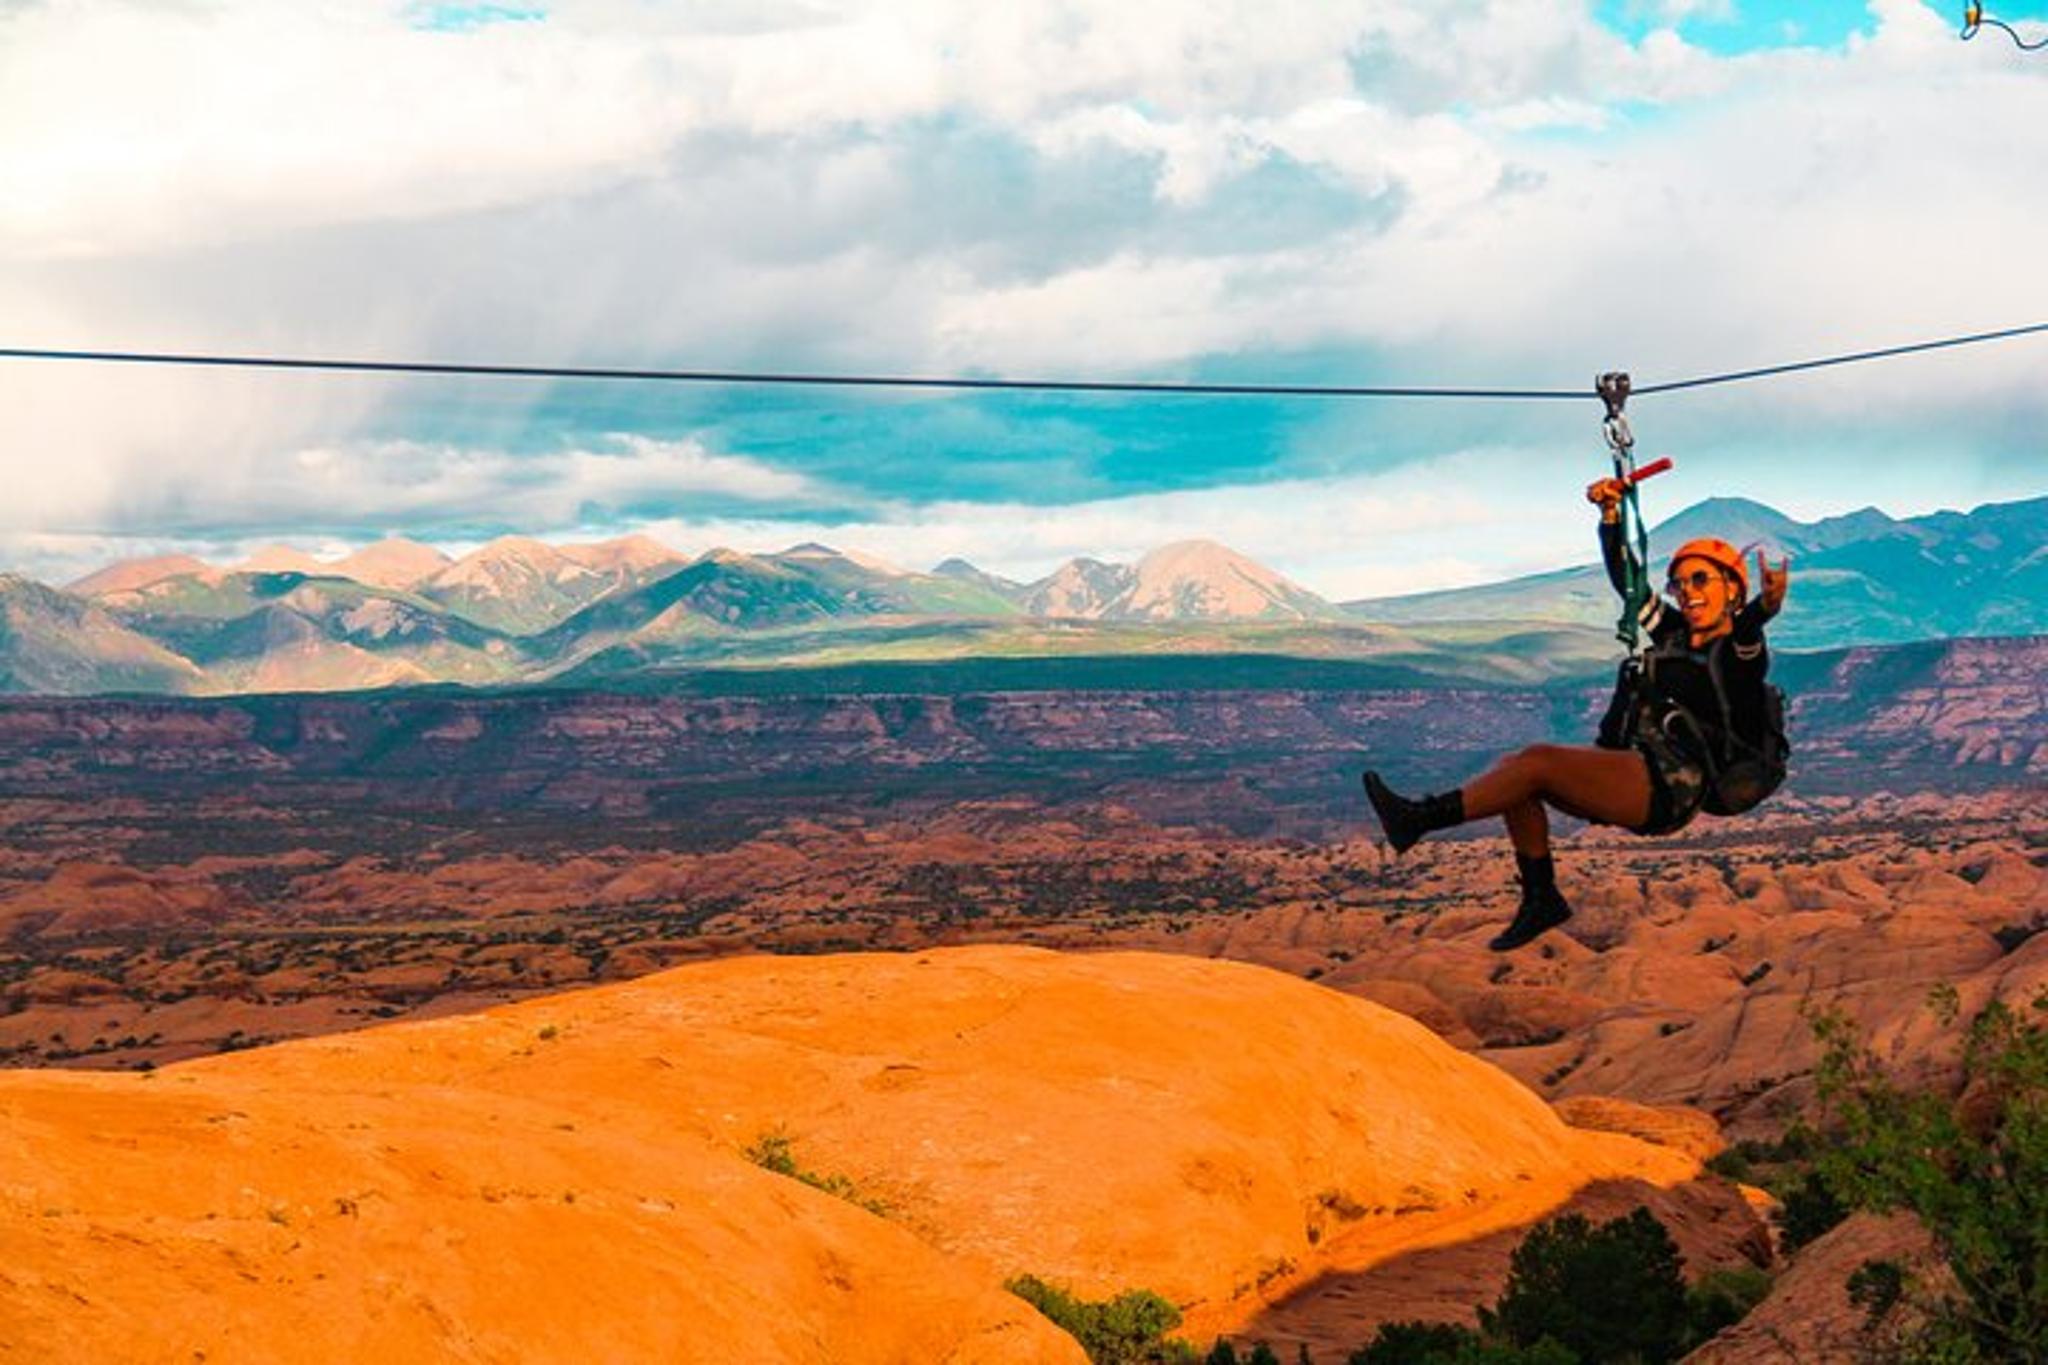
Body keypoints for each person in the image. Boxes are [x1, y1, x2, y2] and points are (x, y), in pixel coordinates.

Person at [1361, 476, 1790, 951]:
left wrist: (1763, 609)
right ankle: (1541, 898)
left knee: (1537, 762)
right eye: (1680, 582)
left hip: (1674, 786)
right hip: (1647, 770)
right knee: (1515, 778)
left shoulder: (1735, 653)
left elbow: (1748, 640)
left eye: (1701, 579)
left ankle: (1419, 818)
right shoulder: (1672, 635)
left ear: (1733, 589)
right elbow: (1628, 584)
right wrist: (1609, 519)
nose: (1686, 591)